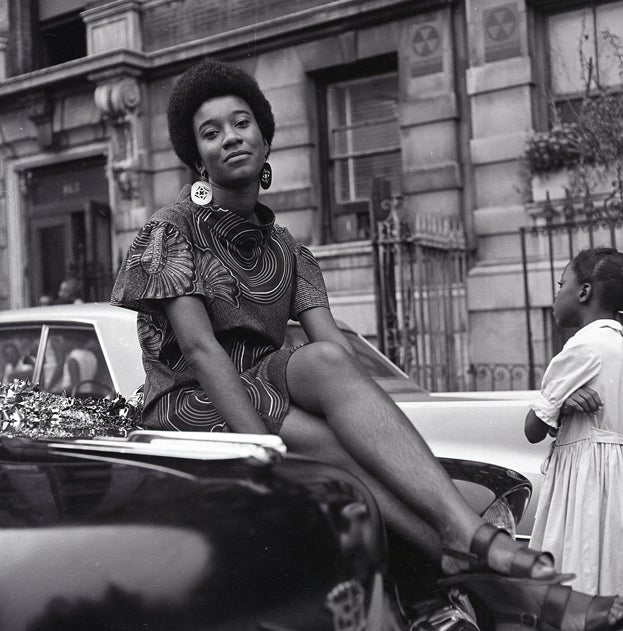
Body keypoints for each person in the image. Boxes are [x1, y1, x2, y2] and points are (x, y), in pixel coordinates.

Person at [111, 59, 623, 629]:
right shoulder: (170, 229)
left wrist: (386, 437)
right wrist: (265, 457)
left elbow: (335, 355)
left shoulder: (288, 249)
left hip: (268, 385)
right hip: (193, 399)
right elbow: (203, 351)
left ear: (263, 134)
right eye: (211, 133)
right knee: (331, 449)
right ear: (197, 155)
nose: (231, 138)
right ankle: (481, 556)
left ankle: (464, 538)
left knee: (328, 365)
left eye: (241, 122)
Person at [525, 247, 623, 596]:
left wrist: (561, 406)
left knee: (579, 572)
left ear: (584, 292)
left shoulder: (582, 347)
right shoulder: (618, 343)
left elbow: (533, 429)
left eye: (561, 283)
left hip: (587, 482)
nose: (556, 294)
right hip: (615, 480)